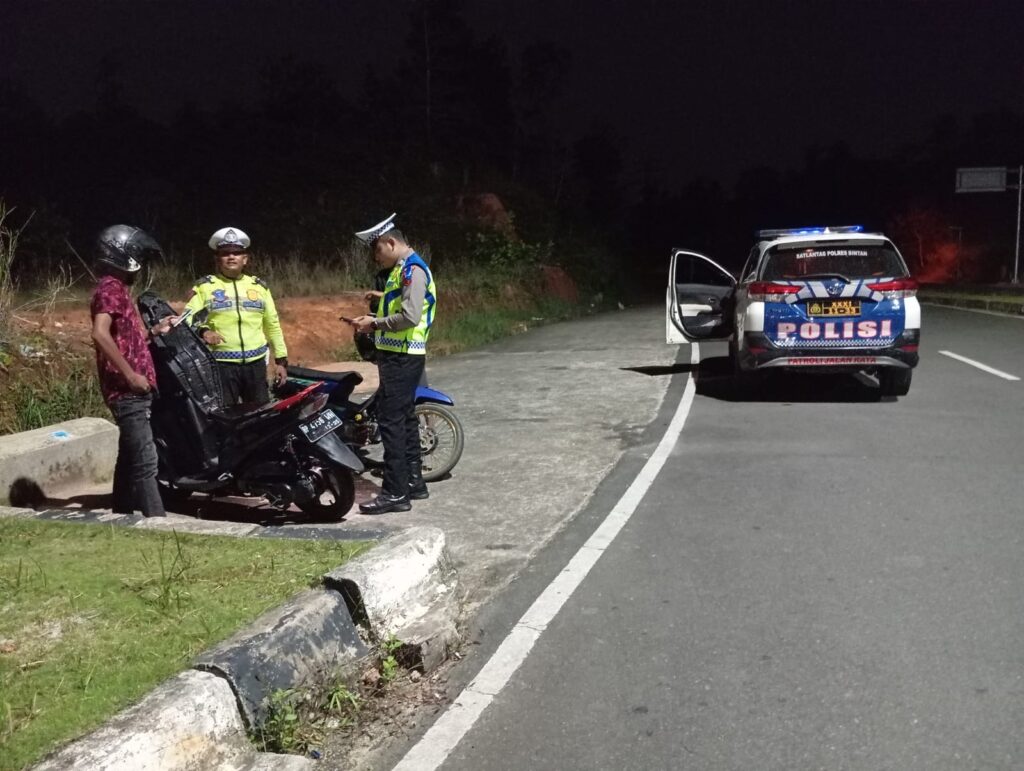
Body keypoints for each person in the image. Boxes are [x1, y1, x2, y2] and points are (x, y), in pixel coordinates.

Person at [350, 213, 437, 514]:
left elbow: (410, 316)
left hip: (402, 357)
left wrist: (373, 326)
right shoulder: (401, 271)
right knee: (406, 418)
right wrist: (372, 320)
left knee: (391, 423)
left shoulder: (412, 271)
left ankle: (395, 493)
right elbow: (398, 312)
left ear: (391, 242)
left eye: (377, 251)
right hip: (400, 356)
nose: (376, 258)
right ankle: (414, 482)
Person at [90, 224, 174, 517]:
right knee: (145, 459)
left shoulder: (117, 290)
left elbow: (126, 339)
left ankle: (121, 513)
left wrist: (154, 331)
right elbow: (100, 334)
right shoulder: (110, 289)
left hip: (134, 388)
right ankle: (157, 521)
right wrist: (131, 375)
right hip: (127, 390)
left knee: (128, 458)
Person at [184, 227, 289, 405]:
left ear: (245, 259)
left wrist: (281, 361)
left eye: (237, 253)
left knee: (260, 415)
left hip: (255, 366)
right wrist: (204, 331)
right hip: (221, 365)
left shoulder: (259, 287)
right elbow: (187, 319)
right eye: (225, 253)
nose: (231, 257)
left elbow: (272, 324)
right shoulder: (205, 287)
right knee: (226, 419)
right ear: (218, 259)